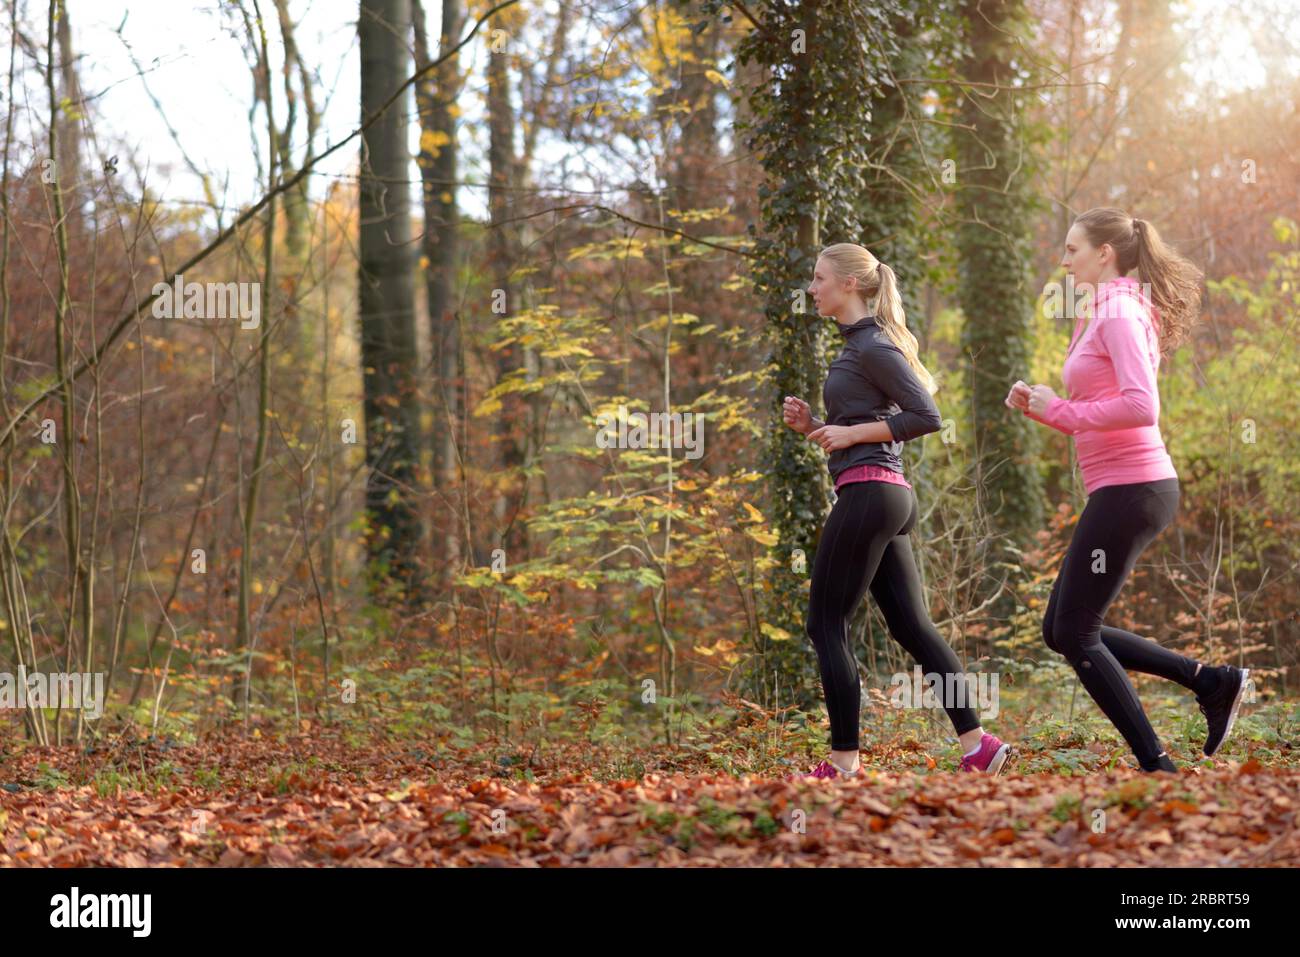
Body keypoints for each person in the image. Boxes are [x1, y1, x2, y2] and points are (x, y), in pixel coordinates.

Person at [1007, 207, 1249, 773]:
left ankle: (1156, 763)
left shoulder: (1116, 310)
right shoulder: (1101, 310)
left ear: (1105, 253)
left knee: (1075, 631)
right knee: (1059, 629)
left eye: (1072, 249)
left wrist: (1059, 409)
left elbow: (1143, 405)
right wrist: (1043, 408)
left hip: (1134, 486)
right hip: (1120, 487)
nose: (1064, 260)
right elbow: (1091, 405)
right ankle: (1211, 682)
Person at [785, 242, 1015, 780]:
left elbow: (926, 415)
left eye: (819, 278)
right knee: (912, 626)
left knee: (825, 625)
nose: (812, 288)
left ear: (850, 284)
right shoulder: (857, 348)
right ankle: (978, 746)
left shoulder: (873, 347)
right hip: (881, 492)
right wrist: (814, 426)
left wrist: (849, 432)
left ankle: (843, 763)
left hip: (870, 494)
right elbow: (863, 429)